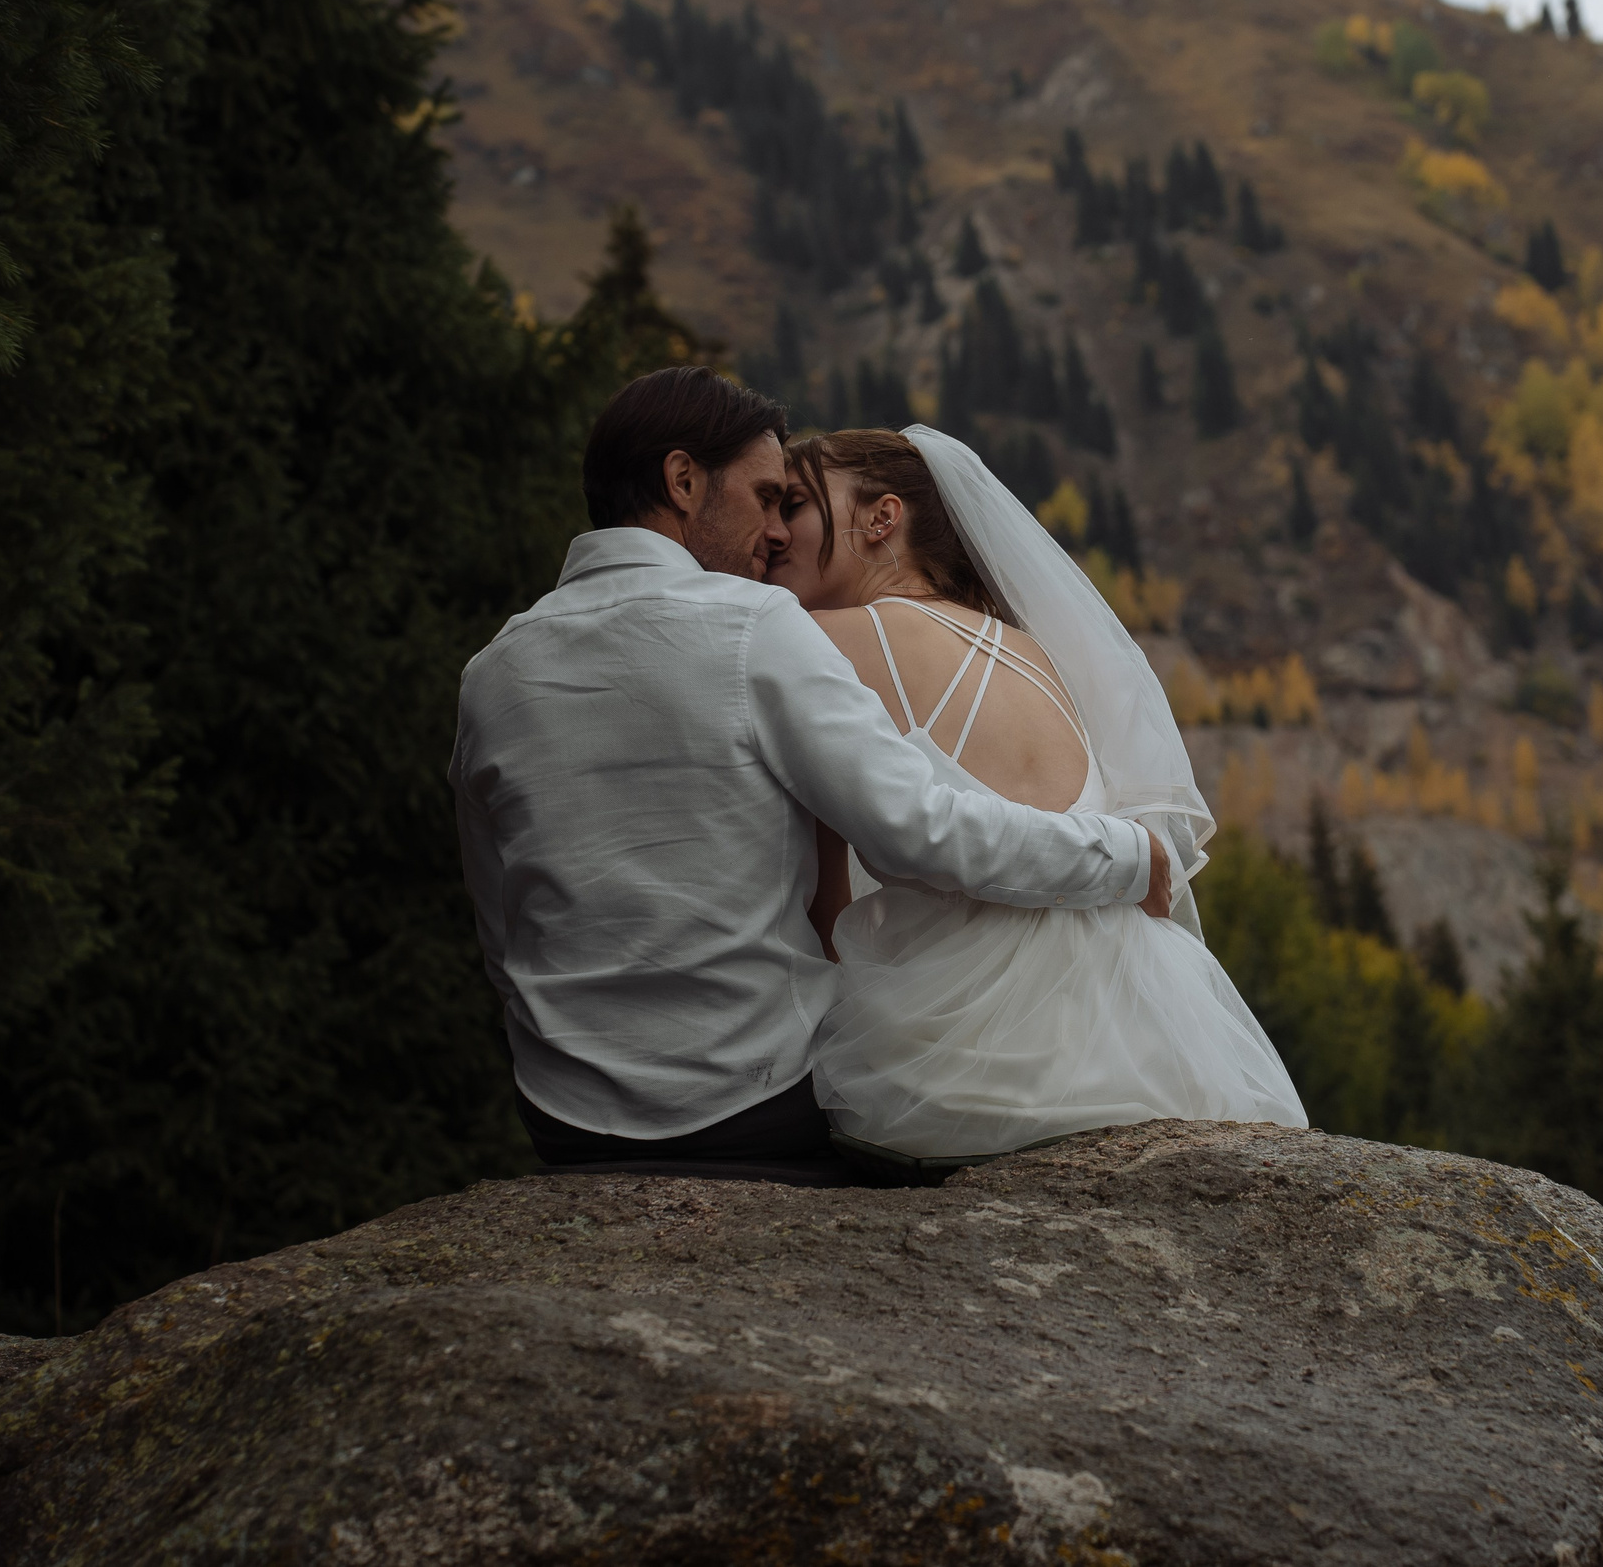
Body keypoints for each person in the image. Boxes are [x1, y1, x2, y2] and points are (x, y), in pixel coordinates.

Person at [449, 370, 1173, 1185]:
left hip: (562, 1118)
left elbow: (502, 926)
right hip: (753, 1106)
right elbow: (920, 829)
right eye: (764, 497)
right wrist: (1123, 857)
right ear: (684, 482)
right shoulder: (754, 627)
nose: (773, 531)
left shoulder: (493, 671)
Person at [770, 426, 1306, 1172]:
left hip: (972, 1057)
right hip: (1151, 1029)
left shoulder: (815, 638)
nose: (771, 530)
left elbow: (821, 910)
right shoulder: (1034, 649)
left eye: (793, 503)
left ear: (880, 518)